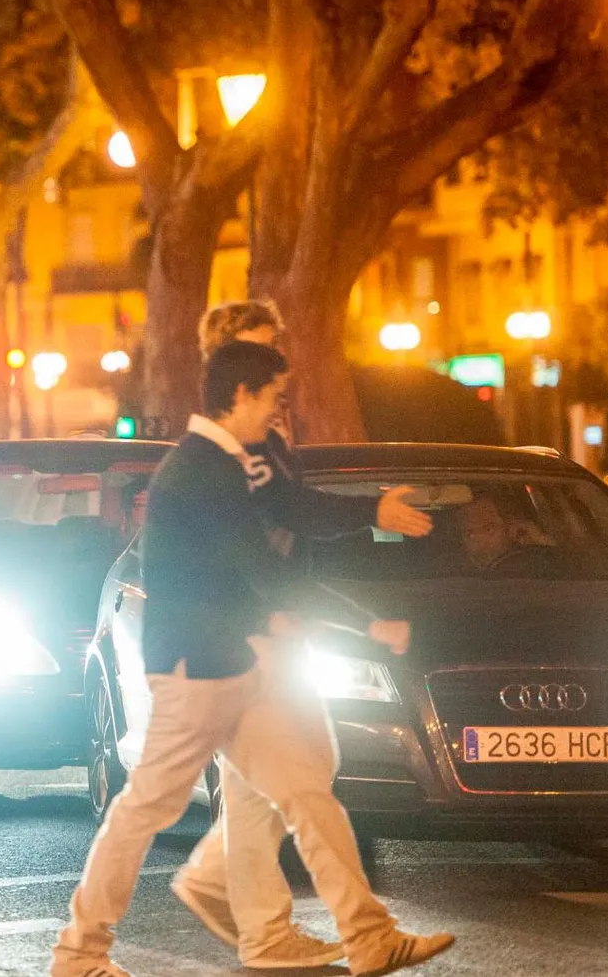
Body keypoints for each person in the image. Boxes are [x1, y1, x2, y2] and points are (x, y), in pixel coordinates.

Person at [52, 341, 453, 977]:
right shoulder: (203, 470)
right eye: (272, 398)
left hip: (233, 663)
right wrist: (359, 621)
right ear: (241, 396)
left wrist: (349, 601)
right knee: (145, 811)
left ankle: (365, 936)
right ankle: (79, 953)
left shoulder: (226, 463)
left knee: (305, 790)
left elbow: (274, 545)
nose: (278, 411)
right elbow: (255, 569)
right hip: (196, 671)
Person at [168, 302, 435, 968]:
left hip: (268, 622)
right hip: (250, 628)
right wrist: (369, 523)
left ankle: (224, 890)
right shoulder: (234, 446)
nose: (276, 361)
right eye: (261, 349)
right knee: (301, 772)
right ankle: (337, 931)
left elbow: (290, 522)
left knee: (287, 770)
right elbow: (283, 522)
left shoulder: (265, 433)